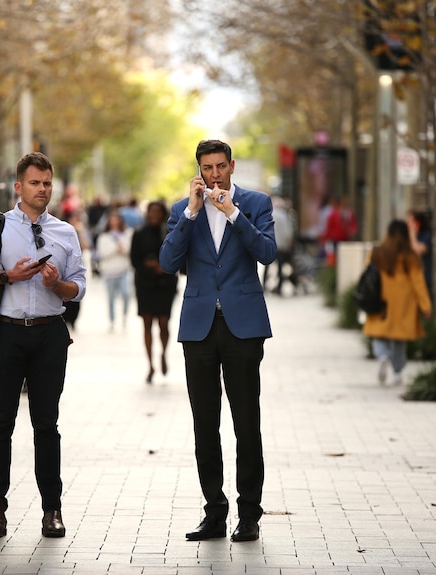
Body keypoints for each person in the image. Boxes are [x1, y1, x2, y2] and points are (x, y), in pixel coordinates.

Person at [0, 152, 87, 540]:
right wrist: (6, 275)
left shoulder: (65, 232)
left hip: (50, 334)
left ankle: (52, 510)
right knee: (1, 423)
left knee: (46, 425)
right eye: (35, 183)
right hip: (7, 333)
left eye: (47, 183)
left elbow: (79, 286)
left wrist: (56, 285)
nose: (42, 189)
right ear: (19, 186)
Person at [159, 139, 276, 543]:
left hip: (243, 327)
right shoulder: (182, 210)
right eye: (207, 168)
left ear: (232, 166)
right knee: (205, 426)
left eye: (220, 167)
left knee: (247, 423)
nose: (214, 175)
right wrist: (192, 213)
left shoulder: (257, 203)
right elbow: (167, 262)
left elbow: (268, 252)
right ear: (198, 169)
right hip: (200, 329)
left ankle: (249, 514)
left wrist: (233, 213)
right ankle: (215, 512)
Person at [362, 220, 432, 386]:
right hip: (404, 302)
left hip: (381, 299)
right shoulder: (410, 256)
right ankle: (398, 373)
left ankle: (382, 356)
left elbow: (368, 273)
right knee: (399, 340)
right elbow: (418, 283)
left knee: (379, 334)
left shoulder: (377, 252)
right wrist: (426, 305)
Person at [130, 201, 178, 383]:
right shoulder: (139, 233)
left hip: (165, 284)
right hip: (145, 284)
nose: (155, 215)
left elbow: (176, 256)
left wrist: (164, 268)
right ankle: (150, 364)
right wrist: (150, 267)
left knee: (164, 323)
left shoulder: (169, 232)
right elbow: (134, 260)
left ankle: (163, 354)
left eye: (158, 212)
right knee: (147, 323)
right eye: (152, 211)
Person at [97, 208, 133, 332]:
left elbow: (130, 249)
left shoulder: (128, 233)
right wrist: (115, 249)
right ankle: (112, 320)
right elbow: (102, 253)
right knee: (111, 298)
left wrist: (122, 249)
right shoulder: (104, 236)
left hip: (124, 269)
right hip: (109, 271)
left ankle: (124, 317)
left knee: (126, 293)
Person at [263, 196, 297, 295]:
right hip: (281, 245)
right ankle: (279, 287)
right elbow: (288, 232)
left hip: (269, 243)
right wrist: (288, 244)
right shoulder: (283, 215)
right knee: (280, 267)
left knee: (267, 266)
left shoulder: (269, 214)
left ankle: (264, 285)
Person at [406, 209, 432, 300]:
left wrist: (412, 235)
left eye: (411, 222)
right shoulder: (407, 237)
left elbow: (419, 251)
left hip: (424, 279)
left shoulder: (426, 236)